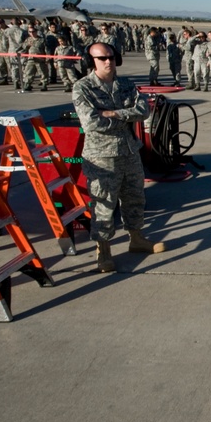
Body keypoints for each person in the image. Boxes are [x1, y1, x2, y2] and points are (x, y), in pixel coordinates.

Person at [71, 42, 165, 273]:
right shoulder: (83, 88)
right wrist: (126, 116)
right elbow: (92, 122)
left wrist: (113, 113)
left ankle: (136, 239)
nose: (108, 61)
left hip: (129, 151)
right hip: (102, 157)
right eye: (102, 58)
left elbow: (143, 111)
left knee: (134, 198)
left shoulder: (125, 84)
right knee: (104, 204)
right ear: (90, 61)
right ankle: (103, 250)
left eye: (111, 57)